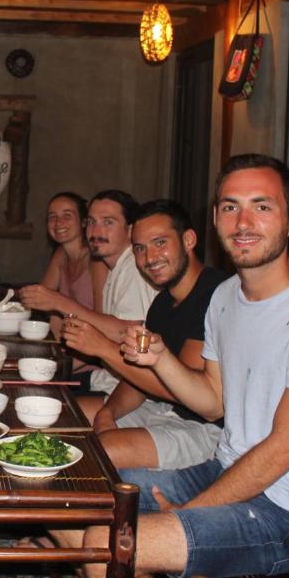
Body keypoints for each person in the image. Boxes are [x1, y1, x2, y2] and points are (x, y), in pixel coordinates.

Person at [23, 155, 289, 578]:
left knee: (106, 544)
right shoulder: (226, 297)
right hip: (223, 468)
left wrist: (189, 511)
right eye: (229, 207)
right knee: (62, 489)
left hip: (283, 510)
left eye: (261, 207)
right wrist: (161, 358)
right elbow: (211, 403)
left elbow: (284, 450)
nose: (243, 222)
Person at [75, 199, 227, 470]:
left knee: (98, 454)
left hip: (206, 428)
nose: (149, 258)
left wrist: (103, 348)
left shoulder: (216, 295)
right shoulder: (162, 302)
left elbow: (184, 391)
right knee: (65, 415)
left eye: (160, 243)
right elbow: (138, 381)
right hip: (158, 410)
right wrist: (107, 413)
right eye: (140, 248)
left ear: (189, 240)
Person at [21, 190, 158, 411]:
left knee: (42, 407)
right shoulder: (115, 268)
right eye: (92, 222)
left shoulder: (133, 268)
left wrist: (59, 302)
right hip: (107, 379)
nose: (97, 231)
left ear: (131, 230)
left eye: (108, 222)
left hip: (133, 394)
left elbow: (132, 333)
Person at [24, 192, 108, 341]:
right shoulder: (61, 253)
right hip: (69, 346)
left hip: (93, 349)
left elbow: (102, 322)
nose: (58, 223)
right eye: (52, 217)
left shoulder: (96, 260)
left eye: (67, 216)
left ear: (83, 222)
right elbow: (41, 299)